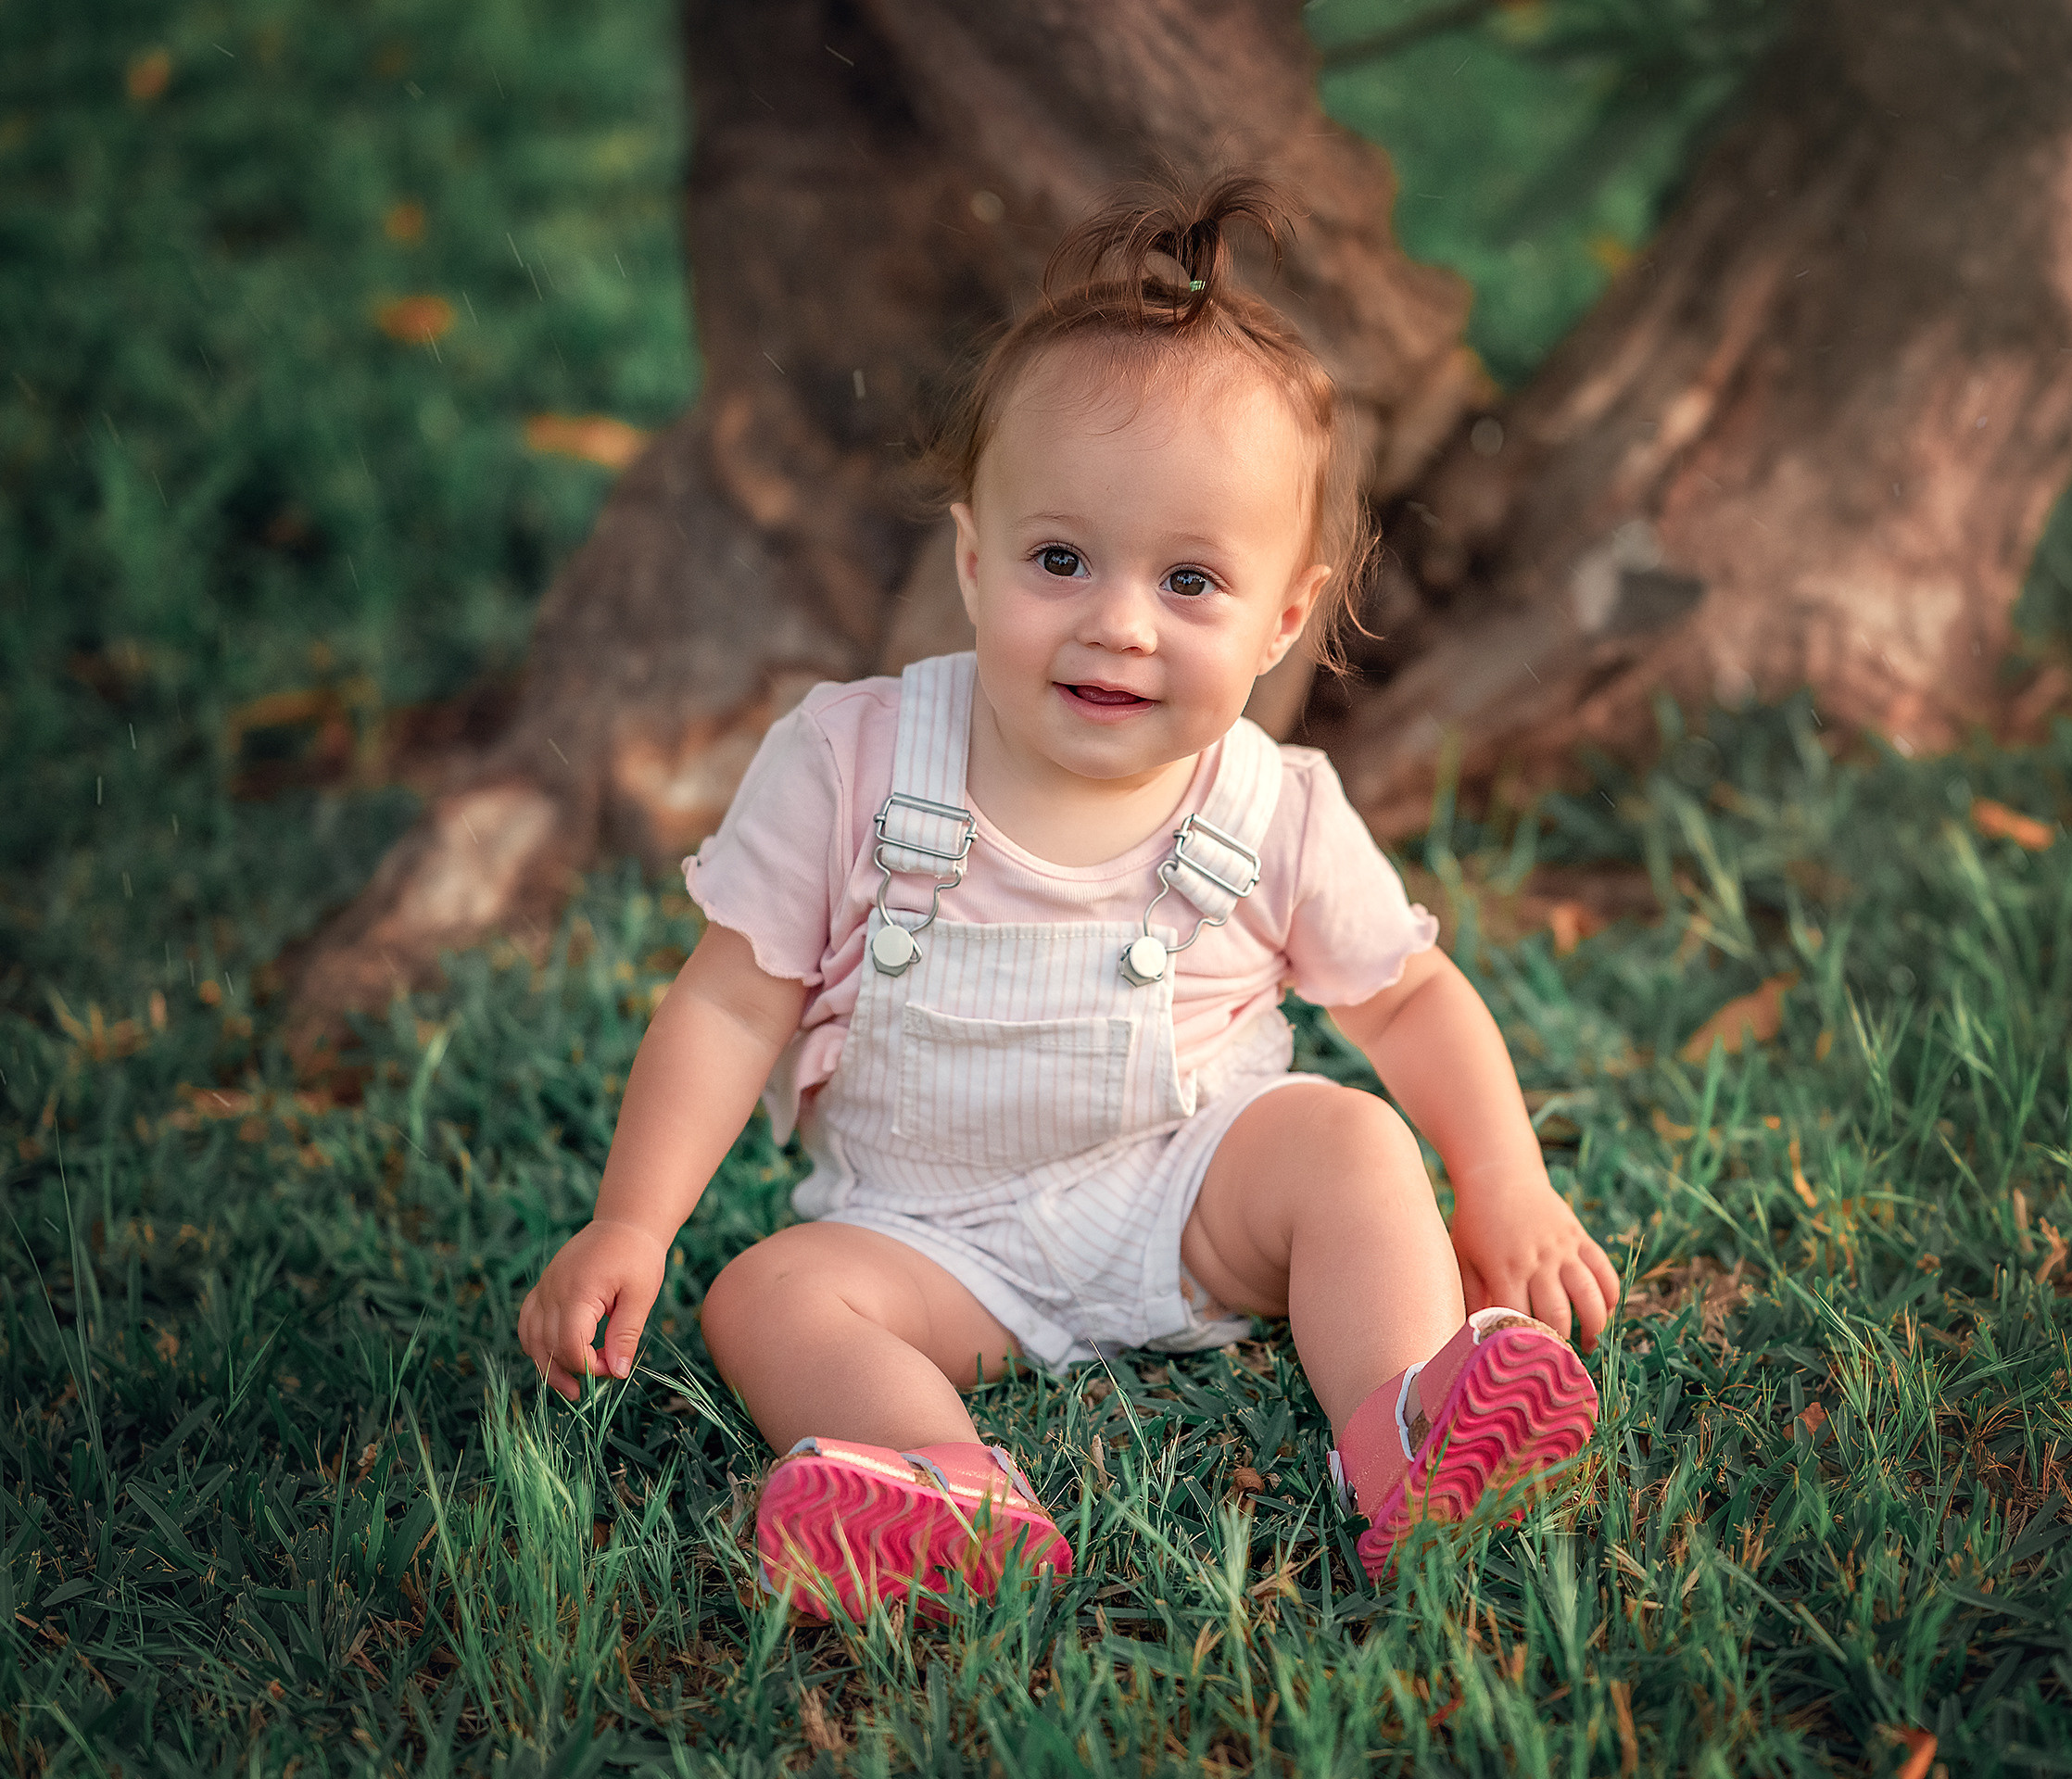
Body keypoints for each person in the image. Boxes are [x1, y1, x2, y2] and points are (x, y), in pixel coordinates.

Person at [516, 172, 1621, 1620]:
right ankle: (943, 1486)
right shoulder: (852, 760)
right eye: (1060, 559)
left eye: (1191, 581)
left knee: (1349, 1144)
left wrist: (1508, 1182)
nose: (1115, 619)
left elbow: (1408, 999)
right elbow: (733, 999)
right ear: (974, 560)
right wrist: (635, 1223)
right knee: (768, 1296)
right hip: (928, 1244)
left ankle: (1404, 1426)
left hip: (1191, 1200)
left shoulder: (1269, 804)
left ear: (1285, 613)